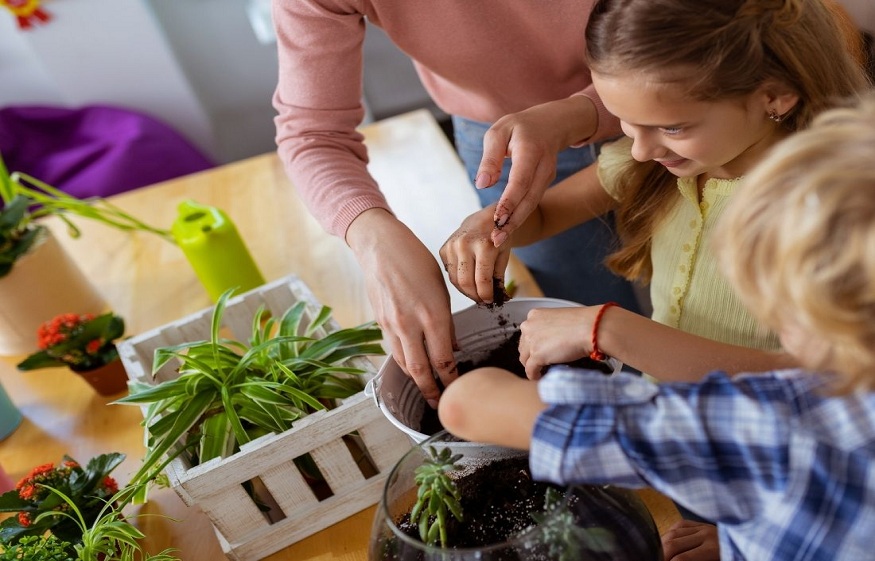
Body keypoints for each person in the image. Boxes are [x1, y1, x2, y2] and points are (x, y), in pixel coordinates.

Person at [438, 92, 875, 561]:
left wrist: (603, 329)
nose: (643, 148)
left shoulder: (754, 429)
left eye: (774, 302)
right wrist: (742, 539)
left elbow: (466, 407)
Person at [440, 0, 869, 382]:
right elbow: (545, 217)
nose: (641, 150)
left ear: (775, 96)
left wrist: (610, 330)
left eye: (672, 127)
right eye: (624, 120)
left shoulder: (832, 210)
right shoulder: (655, 162)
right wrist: (492, 224)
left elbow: (822, 378)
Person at [271, 1, 643, 407]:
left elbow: (707, 36)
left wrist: (584, 111)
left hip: (680, 85)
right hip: (506, 136)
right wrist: (374, 239)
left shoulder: (668, 130)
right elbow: (313, 135)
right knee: (593, 334)